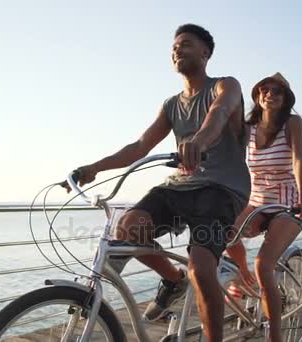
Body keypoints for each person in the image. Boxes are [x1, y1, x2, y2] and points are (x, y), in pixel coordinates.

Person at [63, 24, 250, 341]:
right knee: (129, 227)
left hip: (221, 189)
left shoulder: (225, 86)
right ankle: (172, 280)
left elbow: (217, 115)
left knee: (202, 270)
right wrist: (94, 168)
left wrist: (199, 141)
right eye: (174, 46)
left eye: (186, 44)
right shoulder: (170, 104)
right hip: (178, 187)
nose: (177, 50)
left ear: (205, 52)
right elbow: (139, 147)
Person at [225, 72, 302, 342]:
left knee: (264, 264)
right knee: (224, 230)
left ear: (286, 99)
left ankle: (274, 336)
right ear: (257, 96)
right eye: (265, 90)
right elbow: (227, 156)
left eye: (277, 91)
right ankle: (242, 276)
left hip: (286, 204)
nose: (270, 94)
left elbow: (298, 160)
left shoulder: (292, 123)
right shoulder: (247, 128)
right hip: (256, 201)